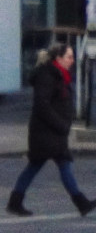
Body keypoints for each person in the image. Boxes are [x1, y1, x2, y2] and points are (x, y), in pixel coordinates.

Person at [7, 44, 96, 218]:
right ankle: (81, 202)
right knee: (60, 163)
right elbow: (42, 105)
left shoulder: (59, 75)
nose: (72, 60)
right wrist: (61, 125)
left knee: (40, 165)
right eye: (69, 57)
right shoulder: (47, 75)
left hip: (51, 132)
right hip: (46, 131)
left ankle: (15, 202)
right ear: (58, 58)